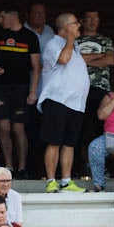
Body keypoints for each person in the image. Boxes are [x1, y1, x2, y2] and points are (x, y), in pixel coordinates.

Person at [38, 12, 91, 193]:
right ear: (66, 27)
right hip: (57, 101)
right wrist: (69, 39)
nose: (79, 26)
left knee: (70, 143)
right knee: (54, 142)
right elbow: (63, 59)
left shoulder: (73, 46)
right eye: (75, 23)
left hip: (76, 104)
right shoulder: (53, 44)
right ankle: (51, 180)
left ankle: (66, 181)